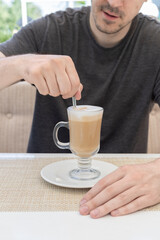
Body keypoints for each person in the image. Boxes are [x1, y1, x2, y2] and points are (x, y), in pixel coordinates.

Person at [0, 0, 160, 218]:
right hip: (41, 193)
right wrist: (19, 64)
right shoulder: (51, 29)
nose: (113, 2)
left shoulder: (154, 43)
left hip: (122, 199)